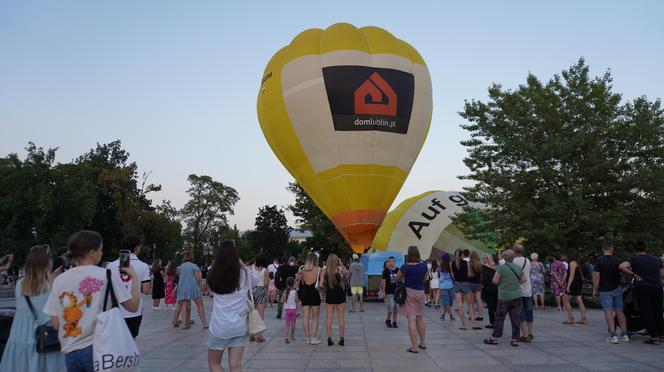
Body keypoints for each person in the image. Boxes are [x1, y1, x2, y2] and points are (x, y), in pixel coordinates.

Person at [43, 230, 140, 372]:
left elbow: (56, 324)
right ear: (92, 252)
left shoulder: (59, 280)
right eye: (100, 250)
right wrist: (134, 278)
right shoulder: (107, 275)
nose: (101, 253)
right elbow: (133, 306)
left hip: (70, 351)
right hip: (100, 349)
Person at [0, 245, 64, 372]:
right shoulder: (52, 285)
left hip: (20, 336)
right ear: (47, 263)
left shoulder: (20, 284)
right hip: (46, 337)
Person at [207, 240, 249, 372]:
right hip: (239, 325)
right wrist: (242, 264)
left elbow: (210, 291)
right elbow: (253, 282)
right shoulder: (243, 273)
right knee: (236, 365)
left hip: (219, 325)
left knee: (214, 363)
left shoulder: (213, 275)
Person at [106, 235, 152, 338]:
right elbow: (146, 290)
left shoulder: (110, 266)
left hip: (115, 310)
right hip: (135, 311)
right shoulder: (143, 266)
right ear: (136, 247)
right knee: (130, 342)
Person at [619, 241, 664, 345]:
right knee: (657, 312)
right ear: (645, 248)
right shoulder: (656, 259)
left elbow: (622, 266)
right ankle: (662, 335)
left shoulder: (634, 259)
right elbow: (662, 274)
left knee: (646, 312)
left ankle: (654, 337)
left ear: (635, 250)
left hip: (643, 287)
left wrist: (634, 274)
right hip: (657, 287)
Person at [483, 249, 527, 347]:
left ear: (503, 258)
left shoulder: (501, 268)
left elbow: (495, 281)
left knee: (500, 317)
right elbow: (524, 280)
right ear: (513, 257)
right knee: (516, 318)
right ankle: (515, 339)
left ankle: (494, 337)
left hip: (504, 296)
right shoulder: (517, 267)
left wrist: (504, 283)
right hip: (517, 295)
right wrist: (514, 284)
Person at [593, 240, 629, 343]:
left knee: (608, 311)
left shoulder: (599, 260)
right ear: (611, 248)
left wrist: (595, 289)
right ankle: (624, 334)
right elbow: (625, 272)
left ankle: (613, 335)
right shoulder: (618, 260)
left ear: (602, 249)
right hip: (617, 288)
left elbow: (596, 276)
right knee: (619, 311)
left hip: (605, 289)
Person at [397, 246, 428, 353]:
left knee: (411, 319)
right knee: (420, 318)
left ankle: (414, 347)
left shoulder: (405, 267)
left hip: (409, 292)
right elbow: (425, 278)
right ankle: (422, 343)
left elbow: (397, 277)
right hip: (420, 293)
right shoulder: (424, 266)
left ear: (409, 254)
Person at [172, 252, 208, 329]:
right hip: (193, 287)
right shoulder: (194, 266)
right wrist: (201, 286)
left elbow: (178, 276)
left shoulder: (180, 266)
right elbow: (198, 278)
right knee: (200, 305)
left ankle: (185, 324)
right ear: (191, 257)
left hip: (183, 288)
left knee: (184, 305)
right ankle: (204, 323)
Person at [319, 254, 348, 346]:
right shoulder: (339, 269)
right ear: (336, 261)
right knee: (341, 317)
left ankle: (329, 339)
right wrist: (341, 263)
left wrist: (325, 286)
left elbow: (320, 285)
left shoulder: (324, 270)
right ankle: (342, 339)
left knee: (329, 318)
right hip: (340, 294)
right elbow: (347, 273)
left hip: (330, 295)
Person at [297, 253, 322, 344]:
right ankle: (313, 337)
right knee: (315, 318)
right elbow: (321, 285)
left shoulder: (303, 270)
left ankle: (307, 338)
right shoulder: (319, 270)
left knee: (305, 317)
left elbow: (299, 282)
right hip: (314, 294)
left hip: (305, 294)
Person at [452, 249, 479, 330]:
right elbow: (469, 274)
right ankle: (474, 324)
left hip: (457, 284)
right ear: (462, 255)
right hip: (465, 284)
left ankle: (463, 325)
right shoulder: (466, 263)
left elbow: (453, 274)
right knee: (470, 305)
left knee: (460, 306)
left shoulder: (452, 263)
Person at [512, 245, 533, 342]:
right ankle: (530, 333)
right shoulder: (527, 260)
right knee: (529, 312)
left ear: (514, 252)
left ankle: (524, 335)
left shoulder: (514, 261)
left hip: (518, 290)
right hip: (528, 289)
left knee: (521, 313)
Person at [563, 250, 587, 325]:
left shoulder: (572, 263)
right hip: (578, 284)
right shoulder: (578, 263)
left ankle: (571, 318)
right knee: (579, 301)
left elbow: (571, 275)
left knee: (565, 300)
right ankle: (583, 319)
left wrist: (568, 286)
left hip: (573, 284)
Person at [249, 256, 269, 343]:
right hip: (261, 291)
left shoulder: (250, 268)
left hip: (251, 291)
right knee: (260, 314)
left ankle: (251, 335)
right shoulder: (265, 270)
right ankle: (259, 336)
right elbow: (266, 283)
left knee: (252, 313)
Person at [381, 256, 400, 327]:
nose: (391, 262)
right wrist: (383, 291)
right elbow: (383, 282)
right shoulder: (386, 271)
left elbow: (401, 280)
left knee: (396, 308)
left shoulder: (398, 270)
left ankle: (394, 321)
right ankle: (388, 319)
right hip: (389, 292)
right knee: (391, 307)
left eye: (392, 261)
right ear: (388, 262)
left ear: (395, 262)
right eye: (390, 261)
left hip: (397, 292)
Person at [481, 254, 498, 329]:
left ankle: (492, 323)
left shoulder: (484, 267)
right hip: (497, 288)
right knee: (496, 307)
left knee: (490, 307)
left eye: (485, 258)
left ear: (488, 259)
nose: (483, 260)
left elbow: (484, 279)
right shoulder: (497, 267)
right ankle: (498, 322)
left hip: (488, 289)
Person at [438, 253, 455, 321]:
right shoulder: (450, 266)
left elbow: (439, 274)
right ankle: (451, 315)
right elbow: (453, 274)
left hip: (443, 286)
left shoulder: (440, 266)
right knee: (448, 302)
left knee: (446, 302)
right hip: (450, 285)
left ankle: (443, 315)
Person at [282, 277, 299, 343]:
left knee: (287, 324)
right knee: (293, 324)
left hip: (287, 310)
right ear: (293, 283)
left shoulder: (285, 291)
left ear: (286, 283)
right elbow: (297, 301)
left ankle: (286, 337)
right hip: (293, 309)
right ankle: (292, 336)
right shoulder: (295, 292)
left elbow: (282, 300)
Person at [468, 251, 483, 321]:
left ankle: (472, 315)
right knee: (479, 299)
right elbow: (482, 275)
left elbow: (468, 274)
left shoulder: (469, 263)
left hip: (471, 283)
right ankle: (480, 315)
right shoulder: (480, 263)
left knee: (471, 301)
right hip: (478, 283)